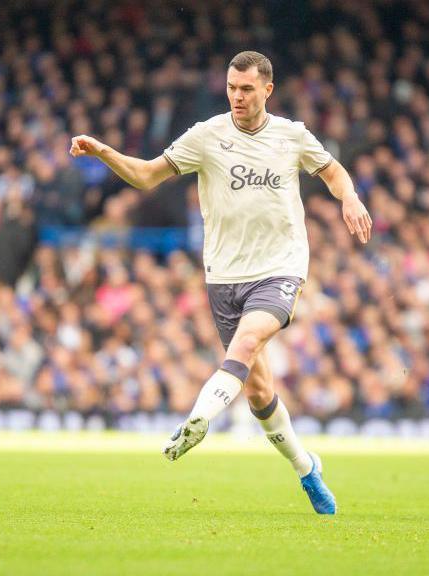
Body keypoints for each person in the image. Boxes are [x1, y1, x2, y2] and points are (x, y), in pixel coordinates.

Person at [70, 51, 372, 515]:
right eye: (232, 88)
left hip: (280, 267)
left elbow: (331, 170)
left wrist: (349, 196)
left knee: (248, 342)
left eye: (247, 89)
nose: (237, 96)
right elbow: (148, 175)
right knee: (257, 391)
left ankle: (199, 418)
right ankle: (307, 468)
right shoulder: (208, 136)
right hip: (224, 277)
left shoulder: (291, 135)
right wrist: (103, 151)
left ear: (267, 90)